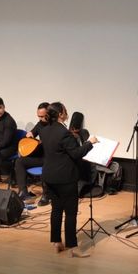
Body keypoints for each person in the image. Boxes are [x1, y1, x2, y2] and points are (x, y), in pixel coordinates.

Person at [39, 102, 96, 256]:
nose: (67, 112)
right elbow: (77, 153)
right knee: (71, 212)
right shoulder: (64, 133)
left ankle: (57, 242)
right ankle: (73, 248)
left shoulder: (44, 131)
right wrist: (90, 143)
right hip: (65, 177)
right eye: (65, 110)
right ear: (60, 114)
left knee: (56, 210)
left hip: (49, 177)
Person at [15, 102, 49, 204]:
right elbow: (31, 134)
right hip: (42, 156)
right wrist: (29, 135)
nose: (41, 119)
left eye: (43, 116)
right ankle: (23, 192)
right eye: (39, 116)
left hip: (51, 157)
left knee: (47, 165)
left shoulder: (55, 125)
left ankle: (47, 195)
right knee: (19, 161)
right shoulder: (40, 124)